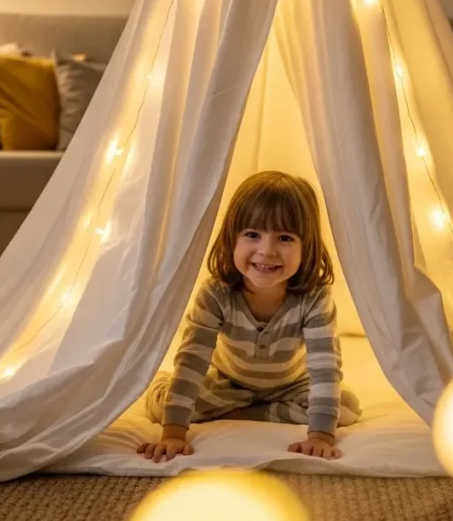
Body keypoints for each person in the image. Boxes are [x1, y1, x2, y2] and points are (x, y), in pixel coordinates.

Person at [138, 171, 361, 462]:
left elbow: (324, 368)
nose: (267, 251)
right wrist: (174, 433)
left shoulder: (314, 298)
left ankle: (248, 412)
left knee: (346, 406)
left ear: (306, 248)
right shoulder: (216, 293)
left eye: (285, 238)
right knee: (163, 406)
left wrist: (320, 438)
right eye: (253, 235)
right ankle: (175, 387)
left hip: (291, 385)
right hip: (228, 382)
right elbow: (193, 359)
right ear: (233, 239)